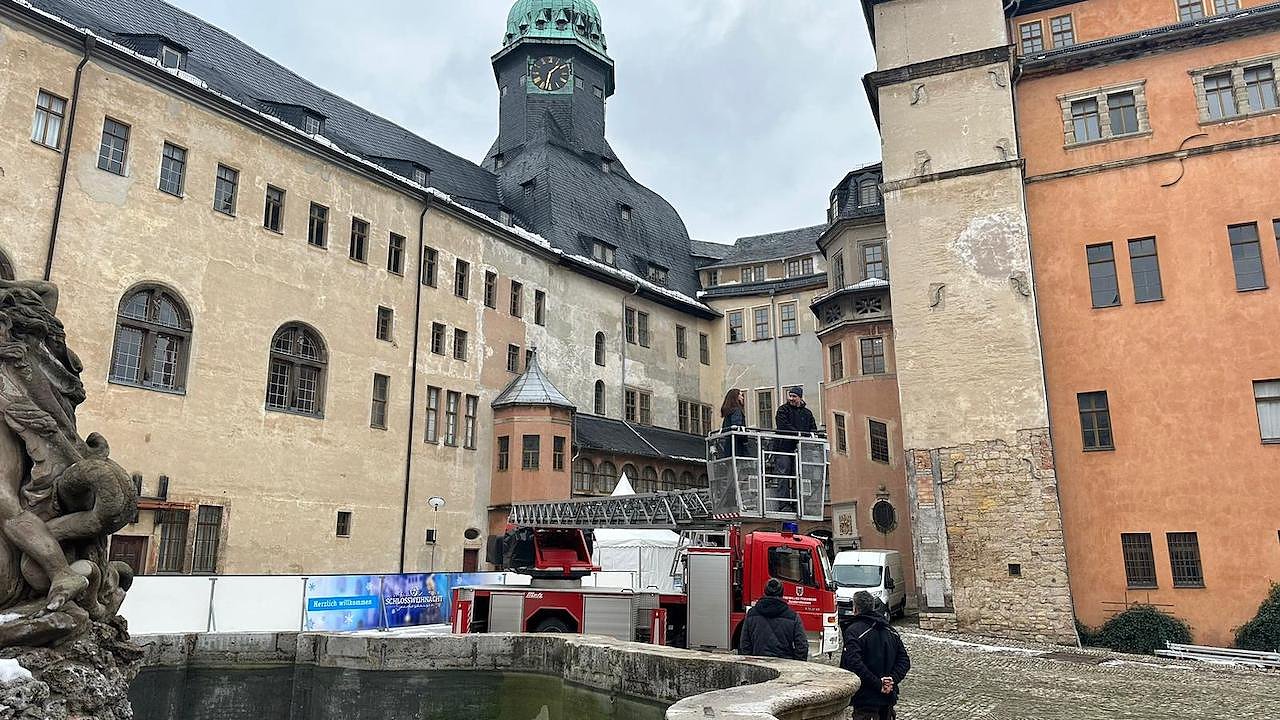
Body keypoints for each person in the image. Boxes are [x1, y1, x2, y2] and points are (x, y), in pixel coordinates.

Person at [840, 591, 910, 720]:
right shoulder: (890, 630)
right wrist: (891, 680)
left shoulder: (854, 631)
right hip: (887, 697)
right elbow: (904, 661)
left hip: (866, 698)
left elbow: (854, 664)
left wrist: (881, 683)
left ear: (855, 608)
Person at [738, 578, 808, 661]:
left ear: (765, 592)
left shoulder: (751, 614)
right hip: (785, 664)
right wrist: (797, 665)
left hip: (758, 663)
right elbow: (802, 646)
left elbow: (744, 644)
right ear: (782, 593)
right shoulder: (793, 616)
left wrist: (750, 663)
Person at [773, 386, 817, 477]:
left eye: (794, 396)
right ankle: (784, 488)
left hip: (802, 448)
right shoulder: (782, 409)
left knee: (801, 473)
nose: (791, 398)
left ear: (800, 397)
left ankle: (797, 487)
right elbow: (783, 426)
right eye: (790, 396)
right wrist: (799, 435)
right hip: (784, 447)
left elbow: (813, 428)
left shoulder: (807, 413)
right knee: (783, 474)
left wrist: (808, 438)